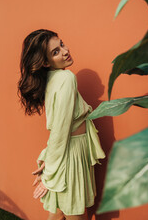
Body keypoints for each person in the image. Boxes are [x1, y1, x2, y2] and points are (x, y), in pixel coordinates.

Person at [17, 29, 105, 220]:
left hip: (69, 151)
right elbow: (60, 129)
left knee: (58, 213)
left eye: (62, 45)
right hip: (70, 155)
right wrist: (50, 173)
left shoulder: (54, 78)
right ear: (46, 62)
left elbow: (59, 127)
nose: (65, 51)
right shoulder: (66, 78)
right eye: (55, 52)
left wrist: (49, 159)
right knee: (72, 212)